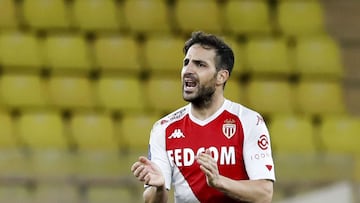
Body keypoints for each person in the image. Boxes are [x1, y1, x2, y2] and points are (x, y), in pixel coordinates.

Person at [131, 31, 275, 203]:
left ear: (221, 76)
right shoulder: (164, 128)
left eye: (200, 65)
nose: (188, 70)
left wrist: (219, 182)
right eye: (186, 63)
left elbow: (264, 194)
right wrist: (160, 187)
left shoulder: (248, 121)